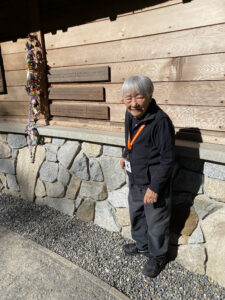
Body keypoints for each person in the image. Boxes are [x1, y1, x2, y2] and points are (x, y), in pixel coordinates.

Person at [120, 75, 175, 278]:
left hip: (153, 183)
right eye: (128, 98)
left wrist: (155, 188)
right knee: (137, 215)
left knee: (156, 221)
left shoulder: (160, 121)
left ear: (149, 97)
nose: (133, 103)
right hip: (135, 178)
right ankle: (142, 246)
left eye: (139, 97)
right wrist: (125, 154)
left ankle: (158, 255)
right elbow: (128, 138)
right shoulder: (130, 114)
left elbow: (168, 159)